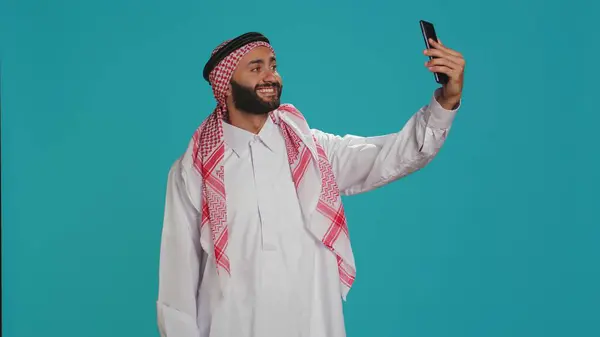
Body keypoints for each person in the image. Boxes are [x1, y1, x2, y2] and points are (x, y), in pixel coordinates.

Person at [157, 32, 465, 337]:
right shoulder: (193, 171)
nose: (271, 76)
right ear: (225, 87)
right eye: (256, 68)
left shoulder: (312, 151)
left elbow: (394, 154)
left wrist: (446, 101)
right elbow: (177, 286)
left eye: (273, 66)